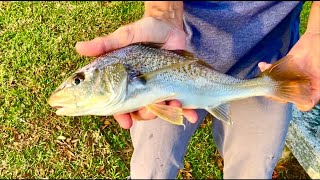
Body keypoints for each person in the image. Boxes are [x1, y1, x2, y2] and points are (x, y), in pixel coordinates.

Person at [75, 1, 320, 179]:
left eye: (79, 80)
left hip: (270, 55)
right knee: (151, 169)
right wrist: (164, 14)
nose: (77, 84)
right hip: (175, 48)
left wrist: (317, 34)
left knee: (254, 169)